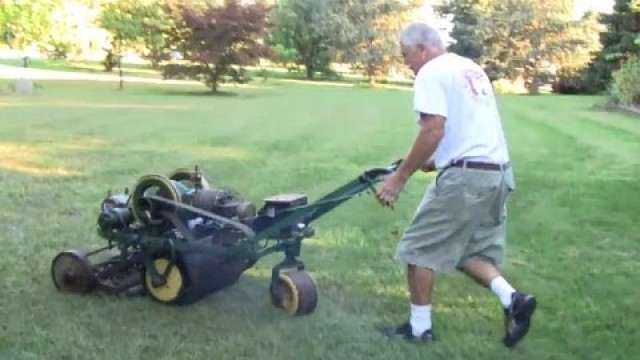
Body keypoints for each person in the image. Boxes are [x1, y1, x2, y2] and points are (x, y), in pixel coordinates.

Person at [375, 22, 536, 348]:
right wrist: (435, 160)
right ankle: (514, 300)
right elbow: (467, 127)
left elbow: (433, 129)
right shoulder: (470, 68)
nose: (406, 62)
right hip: (497, 173)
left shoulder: (431, 72)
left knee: (419, 250)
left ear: (422, 49)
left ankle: (419, 330)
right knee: (468, 251)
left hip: (466, 179)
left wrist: (399, 177)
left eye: (406, 55)